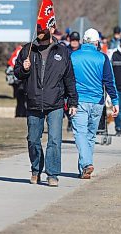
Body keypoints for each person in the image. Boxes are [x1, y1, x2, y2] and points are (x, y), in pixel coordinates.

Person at [14, 14, 78, 187]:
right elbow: (17, 73)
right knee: (33, 140)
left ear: (51, 29)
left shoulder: (62, 51)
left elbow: (69, 78)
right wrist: (24, 68)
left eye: (44, 29)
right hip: (34, 102)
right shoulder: (28, 49)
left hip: (55, 103)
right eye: (38, 29)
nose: (40, 32)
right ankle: (36, 169)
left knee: (54, 140)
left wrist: (72, 101)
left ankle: (52, 173)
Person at [70, 28, 119, 179]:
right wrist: (115, 101)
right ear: (97, 42)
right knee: (90, 136)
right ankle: (84, 167)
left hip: (79, 101)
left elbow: (67, 79)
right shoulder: (102, 58)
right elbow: (109, 81)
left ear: (83, 41)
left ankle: (86, 164)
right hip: (97, 101)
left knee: (80, 133)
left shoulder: (73, 56)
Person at [6, 45, 26, 117]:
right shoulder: (22, 50)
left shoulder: (18, 50)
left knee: (19, 98)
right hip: (18, 78)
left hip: (15, 77)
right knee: (21, 97)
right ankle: (21, 113)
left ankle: (20, 113)